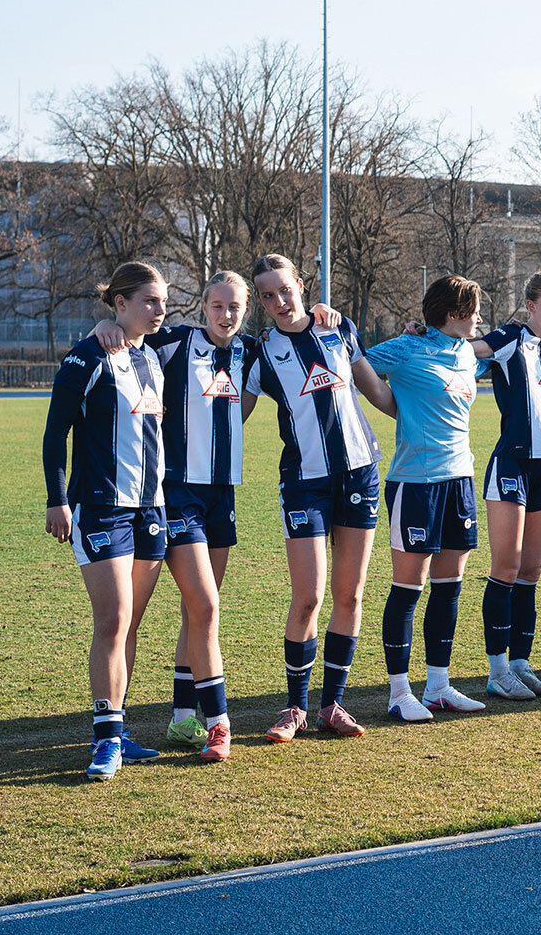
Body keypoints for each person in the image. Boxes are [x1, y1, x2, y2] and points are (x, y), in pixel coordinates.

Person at [90, 270, 273, 761]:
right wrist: (101, 328)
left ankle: (181, 718)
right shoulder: (174, 341)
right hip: (177, 494)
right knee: (201, 606)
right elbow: (124, 333)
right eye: (217, 306)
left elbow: (301, 350)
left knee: (200, 611)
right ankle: (201, 722)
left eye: (235, 307)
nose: (226, 315)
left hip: (222, 496)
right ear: (203, 307)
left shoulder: (252, 350)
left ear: (246, 309)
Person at [245, 254, 396, 741]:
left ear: (301, 284)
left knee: (350, 594)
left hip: (359, 475)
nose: (278, 301)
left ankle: (333, 704)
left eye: (284, 289)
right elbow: (232, 414)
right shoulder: (260, 352)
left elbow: (374, 389)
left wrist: (427, 419)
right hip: (304, 482)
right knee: (309, 596)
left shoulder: (339, 327)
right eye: (267, 296)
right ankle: (295, 707)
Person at [43, 262, 176, 780]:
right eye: (148, 300)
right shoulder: (87, 356)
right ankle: (105, 740)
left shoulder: (152, 356)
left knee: (130, 624)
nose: (159, 310)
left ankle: (119, 729)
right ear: (118, 303)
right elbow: (56, 433)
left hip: (151, 508)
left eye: (164, 301)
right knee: (114, 619)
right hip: (100, 506)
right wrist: (57, 499)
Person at [363, 275, 504, 718]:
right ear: (452, 313)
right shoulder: (407, 349)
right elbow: (355, 363)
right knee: (409, 587)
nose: (480, 318)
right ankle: (399, 692)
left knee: (449, 587)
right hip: (415, 482)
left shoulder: (466, 351)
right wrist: (393, 406)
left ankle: (438, 686)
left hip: (459, 479)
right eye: (474, 310)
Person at [468, 269, 541, 697]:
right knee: (506, 568)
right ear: (531, 306)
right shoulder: (510, 337)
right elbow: (467, 347)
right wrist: (432, 333)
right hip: (511, 465)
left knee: (530, 571)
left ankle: (520, 662)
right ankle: (497, 672)